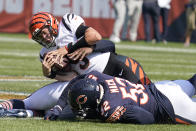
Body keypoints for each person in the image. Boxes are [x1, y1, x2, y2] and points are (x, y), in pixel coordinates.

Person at [0, 12, 151, 117]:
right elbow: (70, 77)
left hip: (112, 68)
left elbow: (96, 37)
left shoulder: (67, 23)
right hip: (85, 83)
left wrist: (67, 49)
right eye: (40, 36)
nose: (45, 38)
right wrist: (49, 73)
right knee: (40, 101)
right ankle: (9, 106)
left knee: (148, 96)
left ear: (52, 24)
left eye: (45, 32)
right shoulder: (44, 53)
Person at [45, 70, 196, 124]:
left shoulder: (110, 108)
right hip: (161, 87)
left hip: (171, 106)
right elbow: (77, 81)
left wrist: (108, 117)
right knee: (192, 83)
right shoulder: (99, 78)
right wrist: (58, 106)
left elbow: (147, 118)